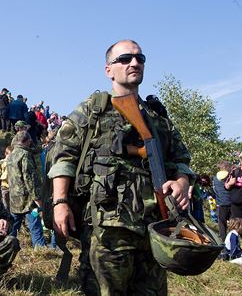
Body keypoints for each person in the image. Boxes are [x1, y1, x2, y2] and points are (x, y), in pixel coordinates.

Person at [49, 39, 193, 296]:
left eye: (140, 58)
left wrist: (181, 181)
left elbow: (181, 158)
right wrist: (60, 202)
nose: (135, 63)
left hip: (154, 229)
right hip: (106, 229)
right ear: (108, 70)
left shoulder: (158, 118)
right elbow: (63, 157)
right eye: (125, 59)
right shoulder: (91, 111)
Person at [7, 131, 47, 248]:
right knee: (35, 224)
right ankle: (39, 249)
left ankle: (7, 246)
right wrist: (37, 197)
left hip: (14, 197)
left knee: (14, 226)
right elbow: (30, 178)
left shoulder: (11, 155)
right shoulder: (25, 154)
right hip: (27, 199)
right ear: (28, 141)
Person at [213, 160, 232, 240]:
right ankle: (232, 239)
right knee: (233, 223)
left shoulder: (215, 178)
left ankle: (223, 240)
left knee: (222, 224)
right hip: (232, 203)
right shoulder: (231, 177)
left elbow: (215, 191)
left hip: (221, 204)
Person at [0, 145, 13, 211]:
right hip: (4, 186)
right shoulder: (1, 163)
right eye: (10, 155)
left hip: (13, 187)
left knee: (13, 203)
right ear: (6, 154)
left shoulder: (14, 163)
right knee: (5, 202)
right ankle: (6, 215)